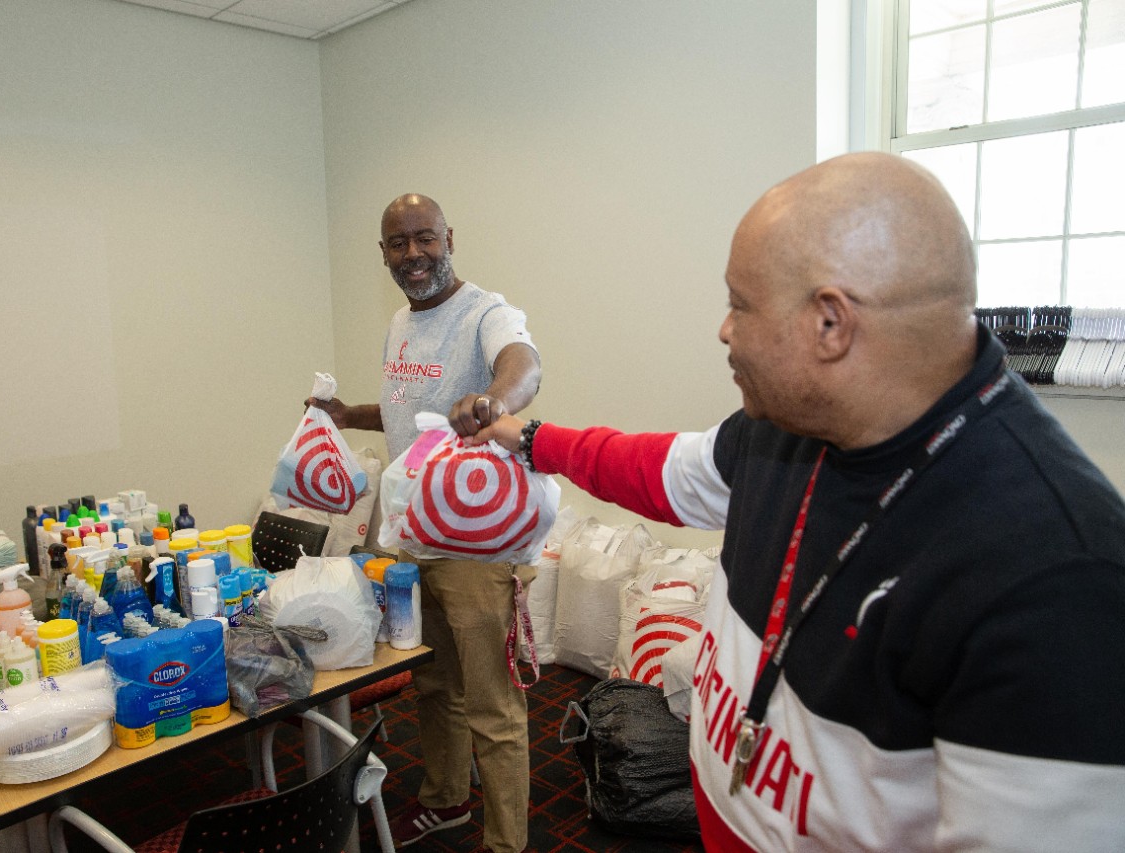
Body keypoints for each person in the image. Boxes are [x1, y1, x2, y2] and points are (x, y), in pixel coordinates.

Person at [469, 152, 1125, 851]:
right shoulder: (784, 424)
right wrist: (532, 438)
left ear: (830, 324)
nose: (724, 330)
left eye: (740, 305)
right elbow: (662, 470)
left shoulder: (1059, 581)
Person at [309, 193, 542, 853]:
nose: (413, 254)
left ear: (449, 238)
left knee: (493, 705)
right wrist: (345, 413)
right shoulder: (399, 324)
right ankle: (447, 801)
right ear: (383, 253)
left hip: (473, 544)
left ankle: (507, 842)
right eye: (397, 243)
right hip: (412, 538)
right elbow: (407, 412)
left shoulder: (485, 313)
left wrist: (494, 399)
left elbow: (524, 366)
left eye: (425, 238)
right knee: (434, 683)